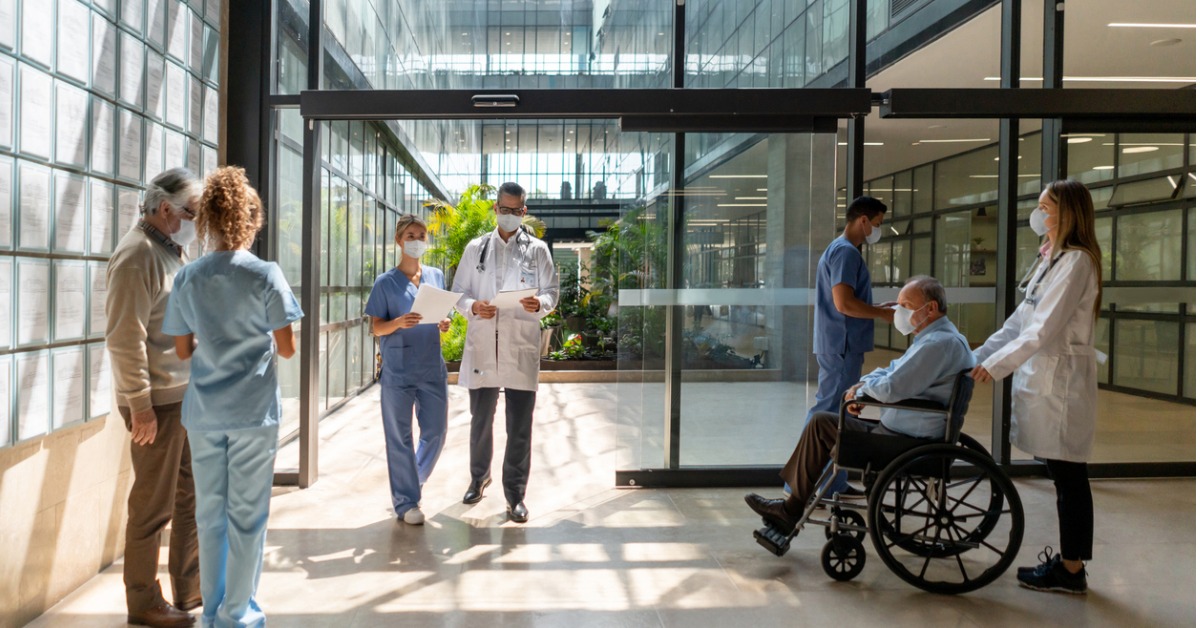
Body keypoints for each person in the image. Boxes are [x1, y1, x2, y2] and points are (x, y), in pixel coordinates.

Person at [162, 166, 304, 627]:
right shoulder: (265, 275)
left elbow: (183, 349)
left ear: (205, 221)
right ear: (252, 220)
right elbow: (286, 347)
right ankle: (237, 614)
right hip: (252, 412)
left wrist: (216, 338)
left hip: (203, 412)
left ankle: (211, 614)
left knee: (209, 514)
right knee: (247, 517)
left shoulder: (188, 277)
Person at [745, 276, 974, 532]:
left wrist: (862, 392)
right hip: (905, 434)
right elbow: (890, 371)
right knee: (823, 420)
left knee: (821, 424)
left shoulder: (938, 345)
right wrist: (860, 388)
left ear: (930, 308)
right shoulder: (936, 339)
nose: (899, 312)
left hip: (905, 443)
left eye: (906, 305)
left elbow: (891, 387)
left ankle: (790, 509)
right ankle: (792, 507)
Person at [971, 180, 1102, 595]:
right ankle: (1071, 565)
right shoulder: (1052, 259)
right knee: (1063, 474)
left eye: (1044, 206)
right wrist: (975, 356)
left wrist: (996, 366)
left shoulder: (1077, 262)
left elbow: (1044, 330)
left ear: (1066, 214)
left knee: (1069, 478)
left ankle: (1071, 569)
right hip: (1045, 379)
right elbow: (1018, 323)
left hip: (1061, 384)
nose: (1038, 213)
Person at [105, 167, 202, 628]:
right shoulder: (136, 255)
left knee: (189, 496)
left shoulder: (168, 252)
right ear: (166, 210)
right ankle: (142, 600)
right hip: (156, 404)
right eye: (192, 213)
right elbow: (125, 338)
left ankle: (189, 587)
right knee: (152, 506)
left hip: (180, 397)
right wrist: (139, 404)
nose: (195, 222)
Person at [452, 181, 560, 523]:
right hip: (484, 344)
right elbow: (458, 293)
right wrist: (473, 308)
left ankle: (515, 495)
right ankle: (478, 477)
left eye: (516, 211)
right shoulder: (475, 248)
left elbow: (552, 292)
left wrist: (538, 303)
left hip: (519, 345)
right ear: (495, 209)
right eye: (504, 209)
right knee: (481, 421)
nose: (510, 215)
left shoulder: (538, 249)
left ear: (523, 212)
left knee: (519, 426)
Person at [364, 214, 452, 526]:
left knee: (436, 432)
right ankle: (406, 502)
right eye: (410, 235)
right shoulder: (385, 283)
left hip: (431, 366)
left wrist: (444, 322)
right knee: (399, 437)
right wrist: (399, 322)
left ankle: (411, 479)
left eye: (421, 236)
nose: (416, 241)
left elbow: (443, 315)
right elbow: (376, 329)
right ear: (399, 241)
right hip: (398, 371)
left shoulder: (436, 276)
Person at [805, 196, 896, 497]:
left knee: (832, 413)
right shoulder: (847, 253)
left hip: (837, 343)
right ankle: (815, 486)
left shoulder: (839, 249)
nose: (878, 231)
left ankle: (830, 485)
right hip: (842, 345)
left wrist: (875, 306)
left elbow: (848, 300)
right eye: (878, 224)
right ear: (863, 221)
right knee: (831, 415)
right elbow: (844, 303)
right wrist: (881, 313)